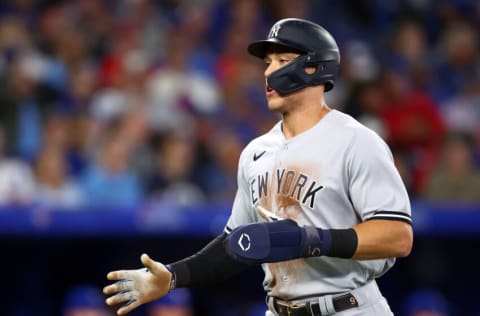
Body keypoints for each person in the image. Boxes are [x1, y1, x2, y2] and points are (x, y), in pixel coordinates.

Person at [103, 18, 413, 316]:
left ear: (313, 66)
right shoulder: (256, 152)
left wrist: (312, 240)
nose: (268, 72)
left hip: (348, 307)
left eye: (281, 60)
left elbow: (398, 236)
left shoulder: (356, 141)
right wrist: (172, 276)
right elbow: (236, 245)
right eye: (268, 63)